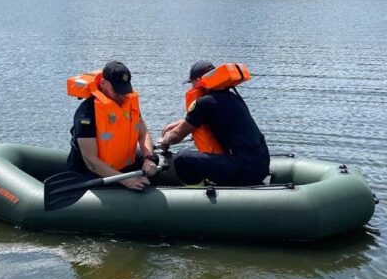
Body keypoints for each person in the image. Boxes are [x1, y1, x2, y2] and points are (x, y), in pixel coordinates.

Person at [158, 61, 269, 186]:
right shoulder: (232, 97)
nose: (192, 87)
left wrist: (164, 141)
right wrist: (181, 122)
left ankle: (198, 193)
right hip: (261, 164)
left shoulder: (204, 103)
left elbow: (177, 136)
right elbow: (200, 119)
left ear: (200, 80)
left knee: (181, 158)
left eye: (192, 82)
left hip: (243, 168)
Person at [66, 61, 158, 190]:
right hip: (91, 172)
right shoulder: (87, 113)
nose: (122, 95)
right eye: (117, 91)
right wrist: (125, 180)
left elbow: (143, 133)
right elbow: (90, 160)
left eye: (124, 90)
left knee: (155, 159)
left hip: (121, 164)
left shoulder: (128, 103)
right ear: (103, 83)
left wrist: (149, 158)